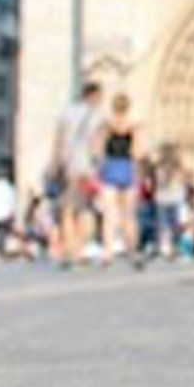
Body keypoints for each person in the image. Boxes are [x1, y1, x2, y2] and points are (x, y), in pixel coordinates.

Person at [47, 77, 107, 264]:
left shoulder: (67, 113)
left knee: (68, 209)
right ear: (94, 96)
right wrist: (98, 167)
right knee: (85, 209)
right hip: (87, 167)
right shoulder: (97, 117)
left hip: (70, 165)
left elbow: (59, 141)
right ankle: (80, 249)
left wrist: (55, 164)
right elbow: (97, 145)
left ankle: (70, 248)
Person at [98, 93, 142, 257]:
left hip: (111, 167)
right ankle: (132, 248)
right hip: (126, 167)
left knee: (110, 213)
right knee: (129, 213)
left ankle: (108, 251)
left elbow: (99, 148)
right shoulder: (133, 127)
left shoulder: (106, 126)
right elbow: (137, 152)